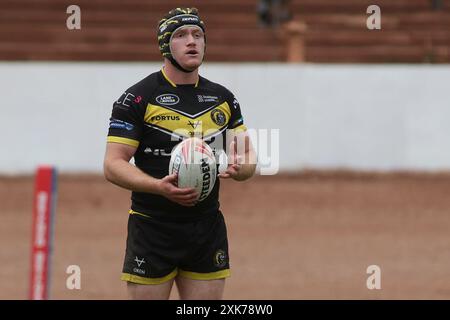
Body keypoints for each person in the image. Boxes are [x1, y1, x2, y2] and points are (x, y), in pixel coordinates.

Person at [103, 7, 257, 300]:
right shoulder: (136, 98)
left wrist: (242, 168)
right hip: (152, 227)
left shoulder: (224, 99)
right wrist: (157, 187)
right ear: (165, 45)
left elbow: (248, 156)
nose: (192, 41)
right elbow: (112, 164)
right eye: (182, 35)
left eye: (198, 35)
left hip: (206, 228)